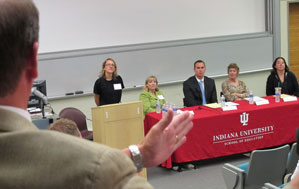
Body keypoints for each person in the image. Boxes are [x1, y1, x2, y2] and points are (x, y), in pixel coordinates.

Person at [0, 0, 193, 188]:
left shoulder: (118, 80)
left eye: (113, 65)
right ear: (33, 62)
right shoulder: (90, 166)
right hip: (105, 113)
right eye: (109, 65)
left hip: (119, 111)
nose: (111, 67)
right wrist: (138, 156)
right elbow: (96, 99)